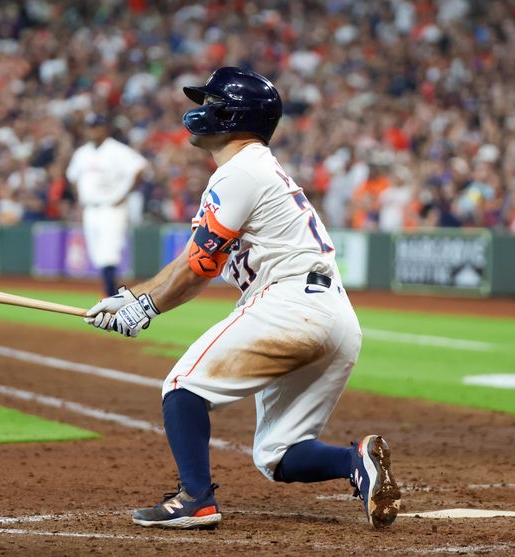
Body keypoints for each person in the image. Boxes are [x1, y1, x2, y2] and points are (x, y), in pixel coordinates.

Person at [84, 67, 401, 530]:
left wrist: (146, 309)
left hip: (288, 305)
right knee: (278, 455)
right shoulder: (255, 170)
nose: (201, 110)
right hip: (335, 318)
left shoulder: (240, 172)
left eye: (212, 103)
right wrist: (130, 295)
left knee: (182, 388)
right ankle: (355, 462)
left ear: (234, 117)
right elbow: (191, 257)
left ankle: (195, 498)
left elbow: (200, 268)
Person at [67, 113, 148, 296]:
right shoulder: (82, 153)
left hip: (112, 208)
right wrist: (80, 197)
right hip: (90, 209)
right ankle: (112, 293)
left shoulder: (117, 150)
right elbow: (72, 176)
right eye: (90, 126)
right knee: (98, 255)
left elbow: (140, 167)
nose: (93, 130)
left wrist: (125, 193)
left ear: (105, 128)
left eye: (97, 126)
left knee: (109, 254)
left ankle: (111, 295)